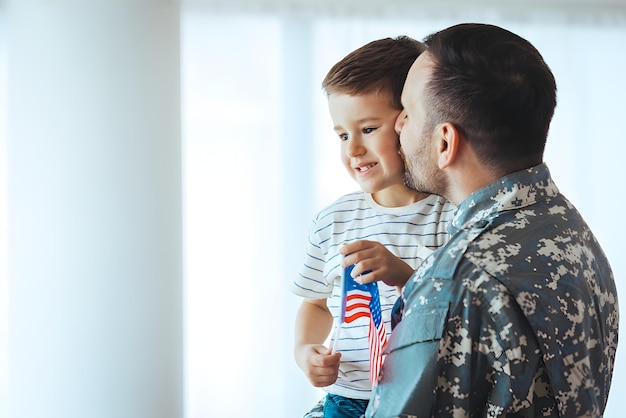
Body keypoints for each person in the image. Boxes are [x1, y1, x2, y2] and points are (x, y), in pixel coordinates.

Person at [363, 23, 620, 418]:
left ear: (445, 143)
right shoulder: (572, 231)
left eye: (408, 113)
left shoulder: (454, 283)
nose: (397, 125)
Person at [291, 36, 455, 418]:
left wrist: (404, 276)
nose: (352, 150)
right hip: (347, 397)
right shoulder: (332, 220)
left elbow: (456, 311)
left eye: (367, 129)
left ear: (410, 121)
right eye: (342, 135)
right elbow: (315, 303)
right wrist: (304, 351)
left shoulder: (449, 216)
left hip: (422, 401)